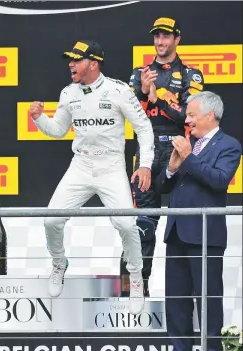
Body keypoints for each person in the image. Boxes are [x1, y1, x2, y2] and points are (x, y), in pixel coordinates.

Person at [29, 40, 155, 315]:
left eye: (77, 59)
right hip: (82, 164)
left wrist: (145, 165)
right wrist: (40, 119)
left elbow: (144, 128)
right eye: (70, 60)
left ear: (94, 63)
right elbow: (59, 130)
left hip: (111, 166)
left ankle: (136, 277)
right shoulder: (68, 93)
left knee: (125, 225)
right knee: (51, 219)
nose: (71, 64)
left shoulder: (119, 90)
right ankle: (59, 263)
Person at [156, 91, 242, 351]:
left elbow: (219, 180)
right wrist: (171, 168)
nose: (188, 120)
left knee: (208, 301)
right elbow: (162, 187)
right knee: (176, 302)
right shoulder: (186, 144)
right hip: (176, 234)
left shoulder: (229, 145)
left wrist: (189, 157)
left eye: (192, 115)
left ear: (210, 115)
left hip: (206, 235)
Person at [127, 17, 205, 296]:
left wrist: (155, 97)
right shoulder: (139, 74)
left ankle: (188, 293)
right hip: (147, 152)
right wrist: (148, 95)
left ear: (177, 39)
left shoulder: (191, 75)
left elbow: (187, 116)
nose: (160, 41)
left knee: (183, 223)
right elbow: (134, 115)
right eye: (156, 36)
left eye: (166, 36)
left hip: (178, 150)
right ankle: (135, 289)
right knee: (143, 224)